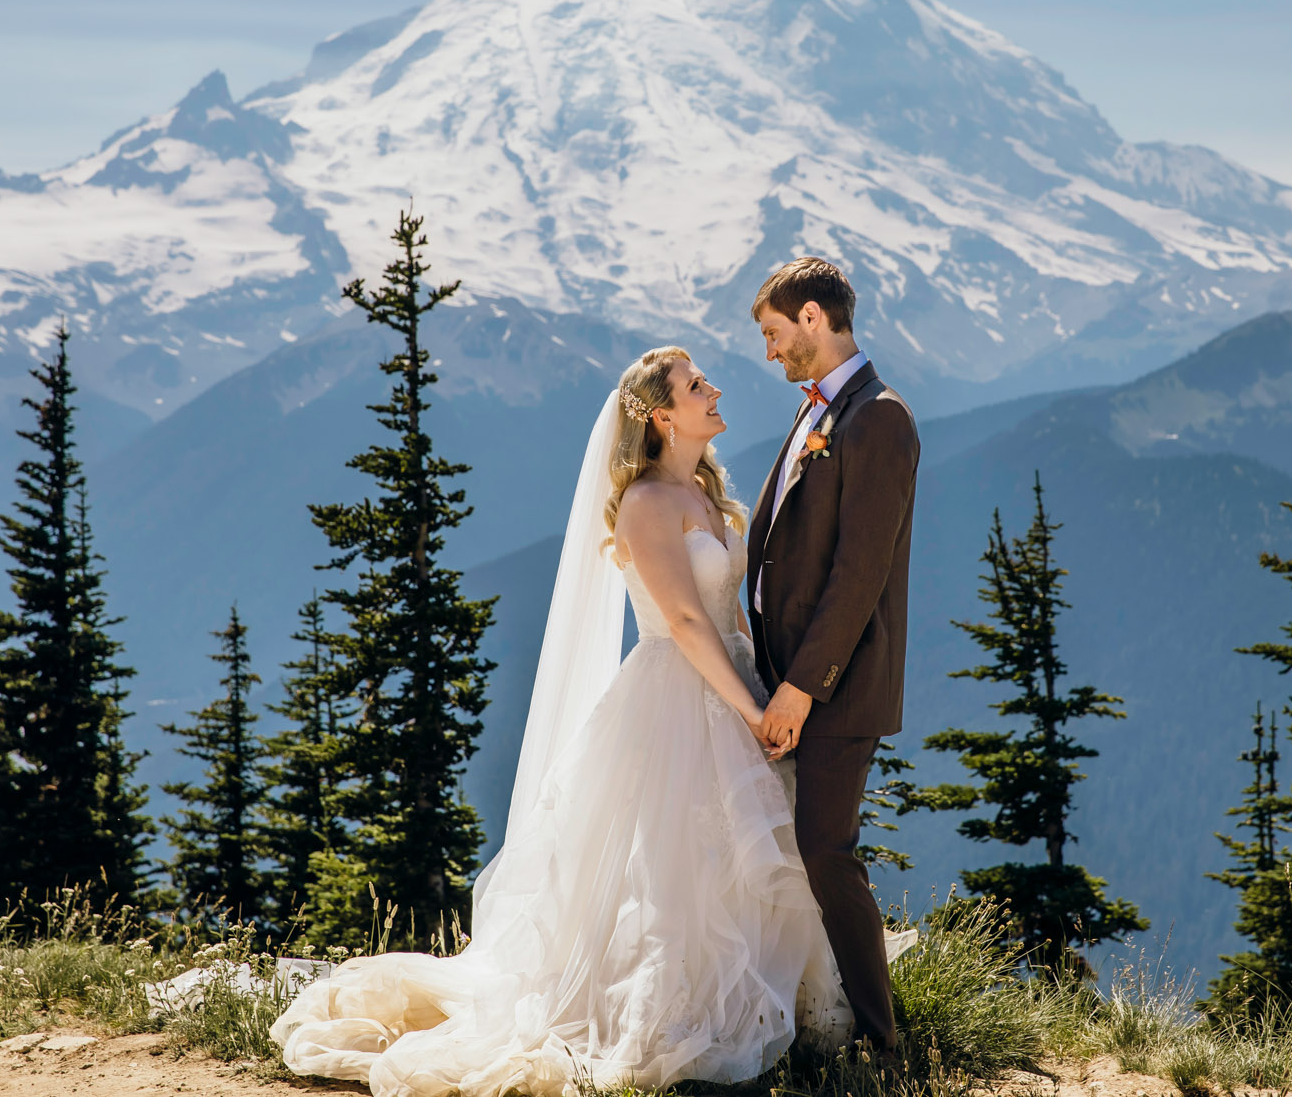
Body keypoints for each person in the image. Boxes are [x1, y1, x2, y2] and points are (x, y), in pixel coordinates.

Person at [270, 345, 851, 1097]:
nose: (714, 390)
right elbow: (678, 615)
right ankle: (667, 1013)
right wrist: (748, 710)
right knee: (674, 869)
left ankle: (769, 1006)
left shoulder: (707, 492)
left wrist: (764, 687)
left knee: (737, 857)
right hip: (675, 698)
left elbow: (726, 611)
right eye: (696, 384)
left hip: (730, 677)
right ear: (664, 416)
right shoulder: (646, 502)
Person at [746, 255, 919, 1054]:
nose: (772, 352)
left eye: (778, 334)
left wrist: (801, 690)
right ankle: (805, 1015)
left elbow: (860, 573)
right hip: (791, 681)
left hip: (837, 686)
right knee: (798, 847)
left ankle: (885, 1044)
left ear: (814, 317)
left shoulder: (879, 416)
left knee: (826, 850)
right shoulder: (820, 410)